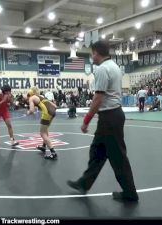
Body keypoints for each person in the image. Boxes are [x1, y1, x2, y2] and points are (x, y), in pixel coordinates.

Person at [67, 41, 138, 202]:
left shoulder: (102, 69)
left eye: (92, 53)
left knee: (117, 156)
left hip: (109, 117)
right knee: (97, 152)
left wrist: (86, 121)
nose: (92, 57)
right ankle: (84, 183)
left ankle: (130, 192)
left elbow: (98, 98)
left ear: (97, 53)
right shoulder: (114, 66)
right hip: (113, 115)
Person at [27, 86, 58, 160]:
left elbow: (31, 110)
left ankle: (53, 152)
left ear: (31, 92)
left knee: (42, 133)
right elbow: (55, 106)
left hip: (47, 113)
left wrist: (28, 112)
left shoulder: (31, 98)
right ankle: (44, 146)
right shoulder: (41, 96)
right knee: (45, 130)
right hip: (53, 112)